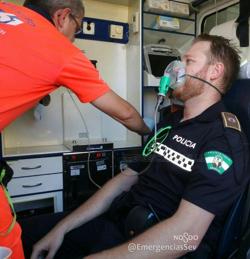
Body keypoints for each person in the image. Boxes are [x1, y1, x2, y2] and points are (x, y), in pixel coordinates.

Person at [20, 34, 249, 259]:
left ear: (214, 71)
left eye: (189, 61)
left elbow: (186, 235)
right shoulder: (170, 123)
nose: (176, 69)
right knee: (22, 233)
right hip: (118, 223)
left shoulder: (223, 140)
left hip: (153, 244)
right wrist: (63, 227)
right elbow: (125, 179)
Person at [0, 1, 150, 258]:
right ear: (62, 16)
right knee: (8, 242)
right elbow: (125, 113)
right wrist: (150, 133)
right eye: (77, 28)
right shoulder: (60, 50)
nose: (74, 37)